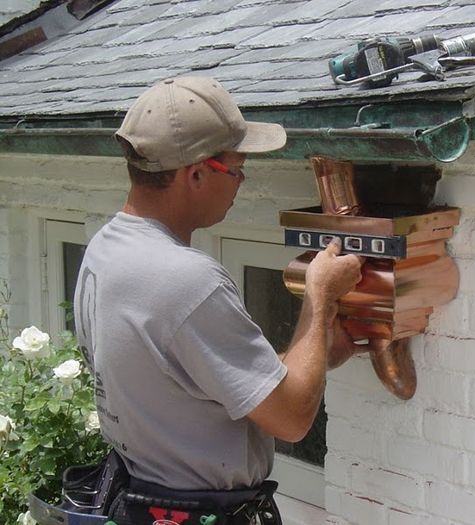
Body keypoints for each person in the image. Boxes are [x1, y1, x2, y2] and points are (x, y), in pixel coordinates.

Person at [72, 76, 363, 525]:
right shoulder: (187, 279)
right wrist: (320, 298)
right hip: (203, 512)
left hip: (141, 505)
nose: (242, 182)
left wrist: (317, 354)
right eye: (238, 167)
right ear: (197, 173)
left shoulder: (105, 250)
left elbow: (205, 386)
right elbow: (291, 421)